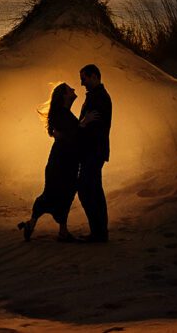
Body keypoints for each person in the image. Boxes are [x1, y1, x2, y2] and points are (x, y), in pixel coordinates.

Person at [18, 82, 82, 242]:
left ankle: (59, 230)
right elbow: (71, 136)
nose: (74, 90)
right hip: (61, 163)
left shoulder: (64, 113)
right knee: (54, 193)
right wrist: (83, 125)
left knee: (65, 193)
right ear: (64, 96)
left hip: (67, 162)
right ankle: (35, 225)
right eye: (70, 90)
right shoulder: (61, 114)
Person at [77, 63, 111, 243]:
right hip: (94, 152)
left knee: (85, 189)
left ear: (94, 77)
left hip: (93, 152)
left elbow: (93, 128)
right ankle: (100, 232)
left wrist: (80, 125)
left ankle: (98, 232)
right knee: (95, 190)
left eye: (84, 79)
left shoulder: (99, 98)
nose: (82, 83)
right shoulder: (96, 96)